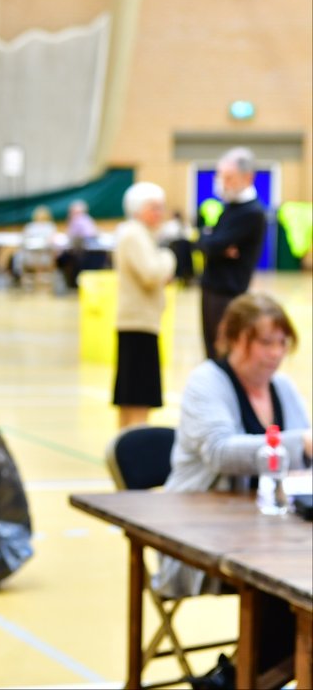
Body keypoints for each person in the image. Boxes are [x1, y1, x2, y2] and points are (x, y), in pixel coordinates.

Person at [156, 293, 311, 689]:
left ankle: (239, 677)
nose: (275, 353)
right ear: (235, 340)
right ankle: (241, 679)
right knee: (289, 589)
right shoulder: (206, 382)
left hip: (273, 533)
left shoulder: (284, 388)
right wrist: (300, 446)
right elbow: (220, 451)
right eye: (265, 342)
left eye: (281, 342)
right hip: (202, 535)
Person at [112, 183, 175, 429]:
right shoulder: (134, 234)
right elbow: (151, 274)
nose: (160, 213)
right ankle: (132, 447)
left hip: (141, 321)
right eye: (154, 208)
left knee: (133, 394)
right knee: (137, 396)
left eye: (161, 207)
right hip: (138, 323)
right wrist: (169, 258)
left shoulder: (139, 234)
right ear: (138, 209)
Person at [196, 147, 267, 359]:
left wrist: (212, 243)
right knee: (211, 351)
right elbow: (205, 242)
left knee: (224, 352)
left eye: (228, 177)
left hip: (229, 294)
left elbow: (212, 244)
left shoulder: (252, 212)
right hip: (211, 287)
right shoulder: (229, 207)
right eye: (220, 176)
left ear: (247, 177)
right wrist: (213, 243)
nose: (222, 182)